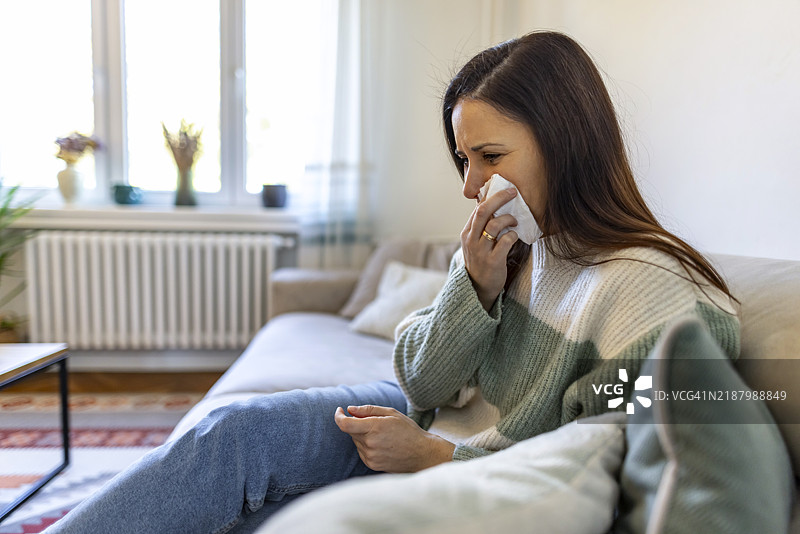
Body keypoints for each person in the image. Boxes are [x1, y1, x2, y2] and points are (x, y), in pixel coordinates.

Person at [45, 30, 740, 533]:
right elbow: (419, 380)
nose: (470, 186)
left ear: (569, 140)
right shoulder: (515, 246)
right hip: (426, 421)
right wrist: (473, 287)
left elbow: (596, 465)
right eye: (463, 159)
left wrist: (438, 458)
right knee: (232, 433)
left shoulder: (655, 295)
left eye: (489, 156)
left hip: (459, 461)